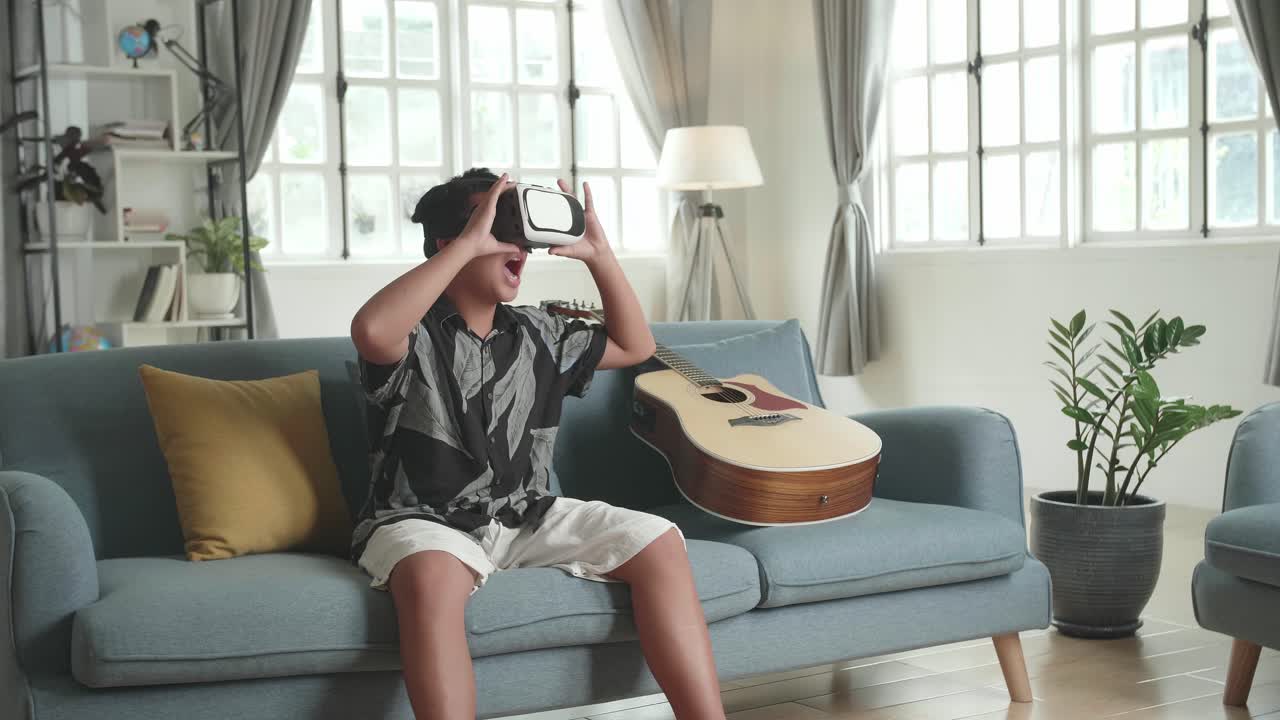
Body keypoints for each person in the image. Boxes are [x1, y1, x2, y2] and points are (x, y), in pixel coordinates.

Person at [349, 168, 727, 719]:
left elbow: (636, 345)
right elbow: (371, 331)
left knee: (659, 539)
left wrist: (599, 255)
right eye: (497, 229)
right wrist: (468, 245)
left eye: (520, 235)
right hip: (422, 519)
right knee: (431, 575)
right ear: (449, 243)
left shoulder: (541, 332)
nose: (518, 247)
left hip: (525, 514)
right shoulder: (413, 333)